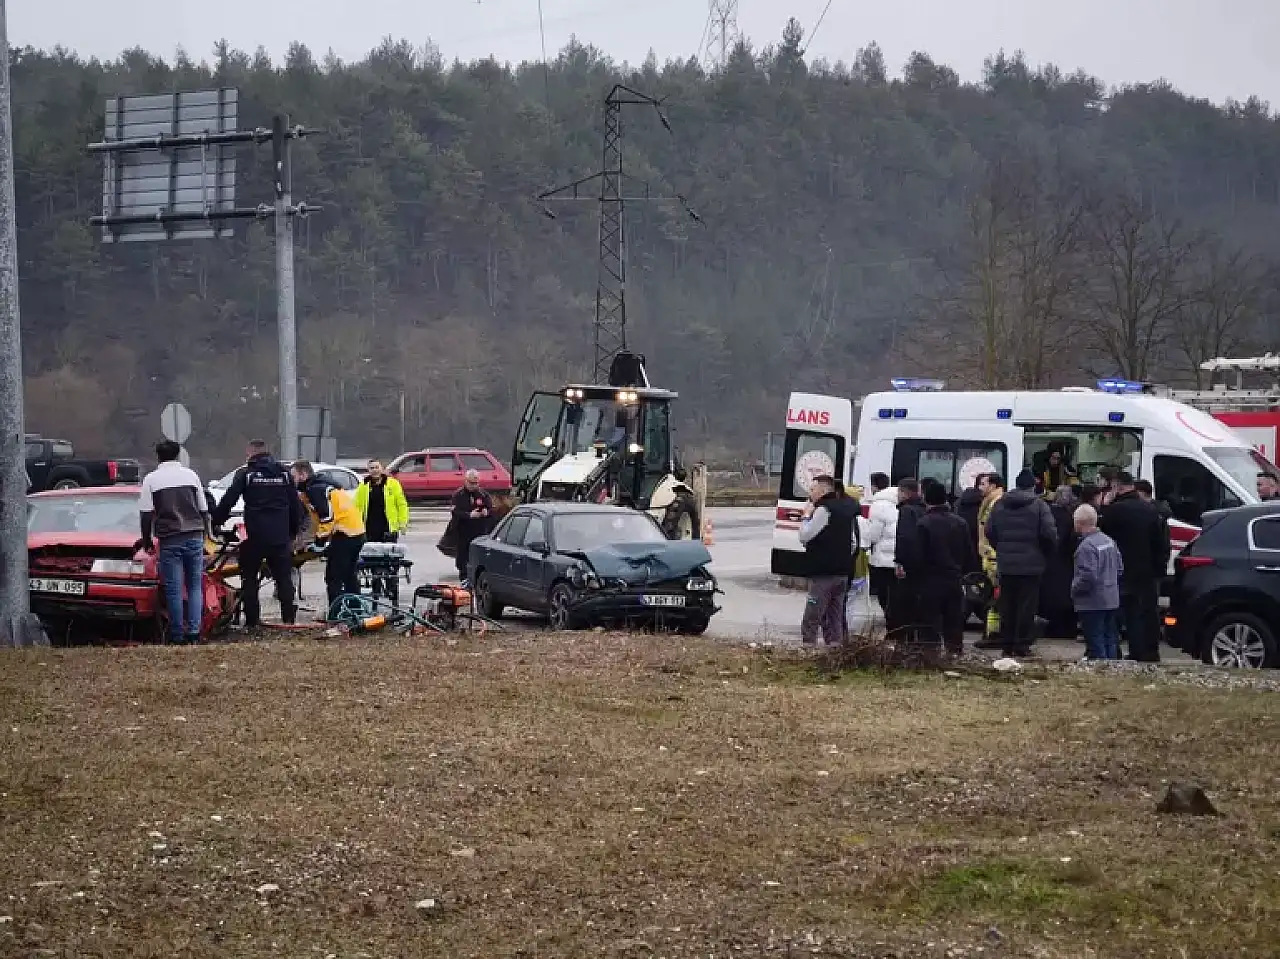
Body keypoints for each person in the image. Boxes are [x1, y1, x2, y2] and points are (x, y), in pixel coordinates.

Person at [212, 440, 303, 629]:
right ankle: (288, 619)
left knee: (250, 577)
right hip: (279, 536)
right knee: (283, 578)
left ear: (250, 453)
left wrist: (216, 521)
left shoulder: (246, 474)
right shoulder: (284, 474)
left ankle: (252, 621)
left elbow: (229, 499)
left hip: (255, 536)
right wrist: (293, 532)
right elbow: (295, 505)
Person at [139, 440, 210, 645]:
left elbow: (145, 514)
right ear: (178, 454)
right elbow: (203, 509)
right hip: (194, 535)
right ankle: (194, 632)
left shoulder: (151, 480)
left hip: (170, 538)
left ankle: (177, 634)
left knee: (174, 588)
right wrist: (207, 534)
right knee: (195, 585)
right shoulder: (191, 476)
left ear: (158, 456)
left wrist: (146, 540)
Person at [985, 469, 1058, 657]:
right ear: (1033, 485)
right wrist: (1044, 553)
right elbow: (1049, 534)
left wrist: (1001, 548)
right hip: (1031, 566)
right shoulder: (1039, 506)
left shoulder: (1000, 505)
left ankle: (1007, 644)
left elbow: (989, 531)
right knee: (1027, 606)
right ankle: (1021, 645)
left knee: (1007, 605)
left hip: (1006, 564)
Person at [1099, 470, 1170, 663]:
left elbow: (1102, 535)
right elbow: (1161, 543)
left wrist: (1105, 506)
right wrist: (1159, 569)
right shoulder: (1151, 510)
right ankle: (1149, 652)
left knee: (1121, 614)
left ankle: (1122, 651)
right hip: (1147, 572)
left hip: (1121, 571)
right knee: (1147, 613)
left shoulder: (1114, 511)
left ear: (1116, 487)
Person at [293, 460, 366, 615]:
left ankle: (336, 613)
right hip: (355, 532)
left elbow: (326, 518)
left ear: (303, 475)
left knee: (334, 577)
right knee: (348, 575)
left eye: (293, 476)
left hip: (345, 534)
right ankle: (355, 610)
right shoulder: (319, 487)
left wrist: (319, 542)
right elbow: (317, 520)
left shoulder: (315, 489)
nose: (292, 480)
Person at [914, 480, 975, 655]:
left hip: (930, 580)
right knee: (953, 621)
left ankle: (931, 655)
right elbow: (969, 553)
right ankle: (954, 653)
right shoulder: (960, 522)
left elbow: (918, 555)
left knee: (929, 621)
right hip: (954, 578)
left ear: (926, 499)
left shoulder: (924, 523)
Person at [797, 474, 856, 646]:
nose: (810, 493)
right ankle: (834, 650)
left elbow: (805, 535)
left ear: (823, 491)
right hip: (843, 571)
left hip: (824, 572)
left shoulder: (824, 509)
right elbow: (853, 541)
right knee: (835, 615)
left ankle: (808, 647)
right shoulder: (847, 508)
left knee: (813, 613)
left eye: (813, 489)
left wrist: (806, 517)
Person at [1071, 504, 1123, 660]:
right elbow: (1119, 568)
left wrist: (1074, 589)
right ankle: (1112, 669)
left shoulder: (1086, 547)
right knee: (1110, 638)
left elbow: (1087, 576)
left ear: (1079, 523)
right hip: (1111, 598)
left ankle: (1100, 670)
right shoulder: (1109, 541)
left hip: (1092, 601)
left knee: (1095, 640)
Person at [1040, 484, 1080, 638]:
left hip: (1049, 562)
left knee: (1050, 595)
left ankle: (1052, 626)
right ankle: (1066, 628)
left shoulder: (1046, 513)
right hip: (1065, 563)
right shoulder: (1070, 517)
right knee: (1065, 596)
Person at [860, 472, 898, 617]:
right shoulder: (896, 501)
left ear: (874, 486)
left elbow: (874, 535)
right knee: (894, 593)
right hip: (897, 555)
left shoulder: (878, 504)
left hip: (883, 557)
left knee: (884, 594)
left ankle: (891, 622)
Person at [975, 472, 1005, 647]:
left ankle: (994, 634)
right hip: (990, 555)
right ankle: (992, 632)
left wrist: (989, 553)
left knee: (995, 597)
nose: (980, 487)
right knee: (993, 595)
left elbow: (989, 530)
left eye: (983, 484)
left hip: (993, 556)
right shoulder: (994, 501)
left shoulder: (995, 502)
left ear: (993, 486)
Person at [451, 469, 495, 587]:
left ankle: (477, 580)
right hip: (463, 530)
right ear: (466, 481)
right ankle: (464, 577)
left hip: (480, 530)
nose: (474, 486)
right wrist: (469, 515)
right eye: (471, 483)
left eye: (476, 483)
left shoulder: (483, 494)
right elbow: (455, 512)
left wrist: (487, 512)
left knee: (477, 556)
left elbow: (491, 509)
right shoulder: (458, 495)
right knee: (463, 556)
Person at [355, 459, 409, 543]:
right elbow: (357, 507)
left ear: (382, 468)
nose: (375, 470)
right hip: (370, 530)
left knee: (388, 555)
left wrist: (403, 523)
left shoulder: (393, 484)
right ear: (368, 470)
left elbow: (401, 505)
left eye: (377, 467)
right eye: (372, 468)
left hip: (389, 529)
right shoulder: (363, 486)